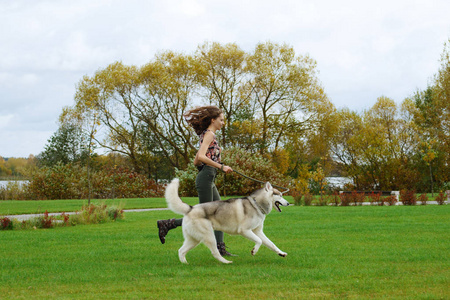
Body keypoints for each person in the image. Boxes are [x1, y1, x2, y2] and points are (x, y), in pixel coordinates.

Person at [157, 105, 236, 256]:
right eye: (221, 120)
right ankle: (168, 224)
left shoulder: (207, 134)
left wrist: (212, 166)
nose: (223, 123)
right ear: (213, 120)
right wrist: (221, 166)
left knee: (220, 213)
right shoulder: (210, 135)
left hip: (208, 176)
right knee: (201, 215)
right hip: (206, 177)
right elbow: (200, 157)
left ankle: (220, 248)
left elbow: (196, 160)